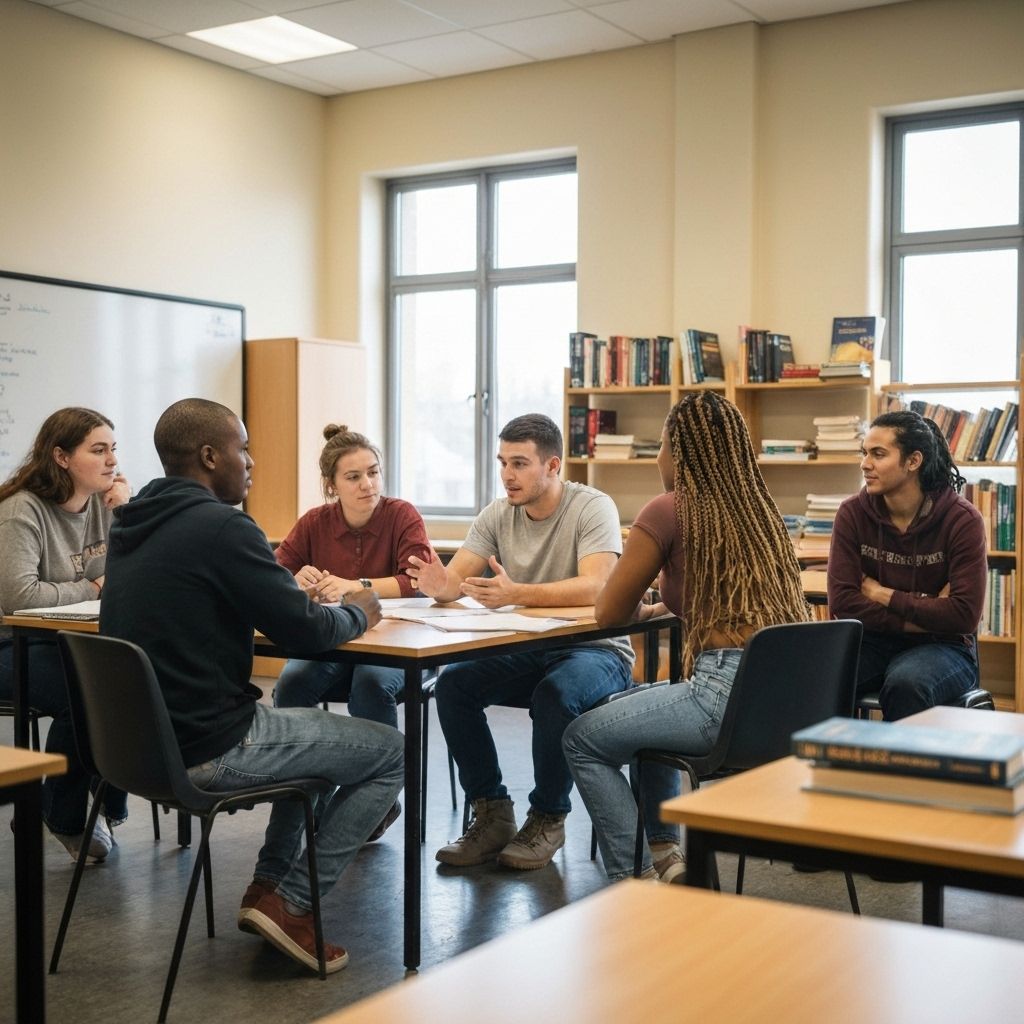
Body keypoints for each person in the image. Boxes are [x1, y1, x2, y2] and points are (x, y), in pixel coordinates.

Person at [100, 398, 404, 975]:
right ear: (211, 456)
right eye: (243, 448)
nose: (252, 461)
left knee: (319, 748)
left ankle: (267, 889)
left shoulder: (133, 522)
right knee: (392, 755)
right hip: (213, 746)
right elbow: (306, 630)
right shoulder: (220, 526)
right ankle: (292, 903)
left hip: (138, 752)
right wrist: (362, 610)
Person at [562, 392, 810, 882]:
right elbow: (727, 597)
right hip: (784, 704)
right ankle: (665, 854)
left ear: (679, 452)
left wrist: (637, 597)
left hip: (721, 698)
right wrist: (665, 602)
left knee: (582, 739)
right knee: (651, 700)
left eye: (661, 446)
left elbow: (609, 612)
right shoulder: (760, 511)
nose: (658, 458)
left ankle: (632, 882)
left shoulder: (668, 509)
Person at [408, 413, 634, 871]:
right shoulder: (498, 513)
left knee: (557, 695)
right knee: (454, 686)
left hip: (597, 649)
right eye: (502, 462)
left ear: (553, 466)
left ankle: (548, 816)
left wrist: (518, 594)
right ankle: (491, 813)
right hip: (529, 647)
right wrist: (439, 584)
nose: (508, 475)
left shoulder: (592, 507)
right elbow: (457, 579)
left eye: (520, 463)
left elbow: (598, 587)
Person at [275, 424, 428, 840]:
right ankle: (304, 791)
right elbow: (275, 573)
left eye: (373, 472)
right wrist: (298, 580)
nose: (368, 484)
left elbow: (416, 582)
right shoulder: (313, 522)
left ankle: (375, 796)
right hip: (333, 641)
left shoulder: (401, 514)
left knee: (372, 684)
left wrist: (353, 587)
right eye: (354, 477)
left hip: (394, 644)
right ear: (331, 486)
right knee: (292, 682)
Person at [0, 407, 131, 862]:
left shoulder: (105, 505)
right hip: (11, 643)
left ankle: (99, 805)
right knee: (91, 692)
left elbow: (134, 578)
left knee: (130, 681)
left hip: (69, 640)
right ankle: (65, 814)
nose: (112, 460)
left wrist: (129, 514)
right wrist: (92, 586)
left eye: (113, 448)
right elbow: (18, 597)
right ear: (60, 457)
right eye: (98, 450)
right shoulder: (21, 511)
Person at [827, 409, 987, 720]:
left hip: (944, 647)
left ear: (913, 461)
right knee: (816, 674)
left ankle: (901, 768)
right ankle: (828, 765)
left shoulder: (962, 520)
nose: (865, 464)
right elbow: (844, 602)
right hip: (870, 641)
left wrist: (882, 594)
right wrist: (925, 611)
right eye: (864, 453)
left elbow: (963, 616)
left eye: (878, 454)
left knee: (906, 684)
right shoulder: (851, 514)